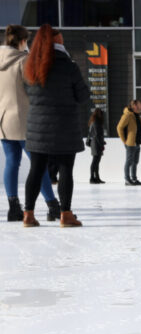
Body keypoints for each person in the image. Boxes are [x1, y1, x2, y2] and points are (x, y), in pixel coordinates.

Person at [22, 24, 89, 227]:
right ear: (56, 42)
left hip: (37, 127)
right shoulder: (68, 66)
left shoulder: (30, 67)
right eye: (61, 39)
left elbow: (28, 93)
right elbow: (83, 95)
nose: (63, 41)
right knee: (65, 169)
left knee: (35, 170)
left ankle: (28, 214)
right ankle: (65, 215)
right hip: (64, 126)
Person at [0, 24, 61, 222]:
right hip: (26, 120)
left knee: (12, 162)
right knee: (38, 164)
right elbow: (34, 90)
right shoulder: (23, 61)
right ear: (23, 41)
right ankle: (53, 206)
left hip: (4, 120)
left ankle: (13, 208)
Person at [117, 98, 141, 185]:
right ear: (134, 106)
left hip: (137, 142)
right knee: (129, 161)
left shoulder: (137, 115)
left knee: (135, 162)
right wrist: (124, 141)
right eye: (139, 104)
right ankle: (127, 179)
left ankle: (134, 179)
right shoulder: (127, 115)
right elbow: (119, 128)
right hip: (130, 143)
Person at [88, 108, 105, 184]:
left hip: (95, 143)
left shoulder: (94, 121)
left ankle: (97, 177)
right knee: (95, 161)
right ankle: (92, 178)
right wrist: (101, 144)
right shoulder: (96, 122)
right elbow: (97, 135)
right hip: (96, 144)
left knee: (96, 162)